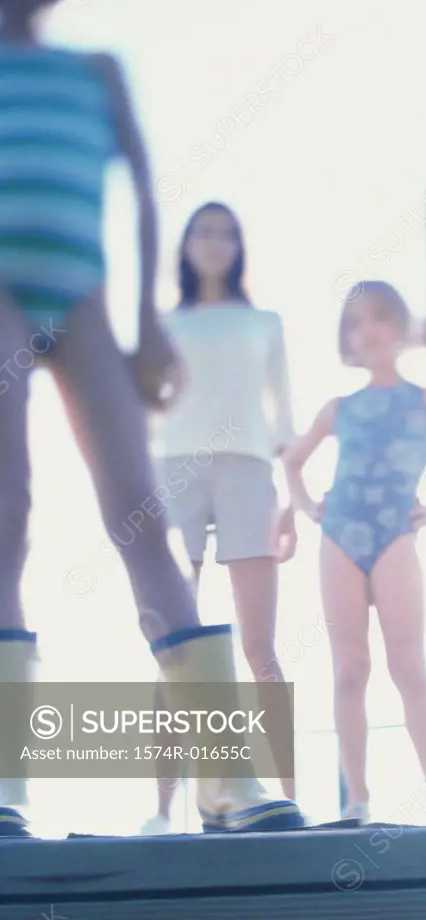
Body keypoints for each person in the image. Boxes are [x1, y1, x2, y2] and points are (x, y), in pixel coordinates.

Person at [0, 0, 303, 836]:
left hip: (83, 300)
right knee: (7, 514)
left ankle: (228, 781)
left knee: (141, 517)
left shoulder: (95, 69)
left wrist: (142, 323)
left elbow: (137, 192)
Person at [284, 281, 426, 824]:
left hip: (396, 534)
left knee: (409, 666)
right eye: (355, 322)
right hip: (341, 535)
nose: (367, 330)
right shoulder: (338, 407)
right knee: (349, 670)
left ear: (399, 325)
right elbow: (292, 462)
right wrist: (306, 507)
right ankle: (358, 801)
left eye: (379, 317)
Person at [141, 201, 299, 834]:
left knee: (261, 649)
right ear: (184, 246)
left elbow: (284, 418)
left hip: (249, 473)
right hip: (173, 473)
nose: (216, 243)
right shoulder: (162, 322)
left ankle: (288, 796)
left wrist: (290, 500)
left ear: (239, 247)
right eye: (204, 231)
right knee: (176, 651)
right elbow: (140, 405)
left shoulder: (266, 321)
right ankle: (160, 810)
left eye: (227, 233)